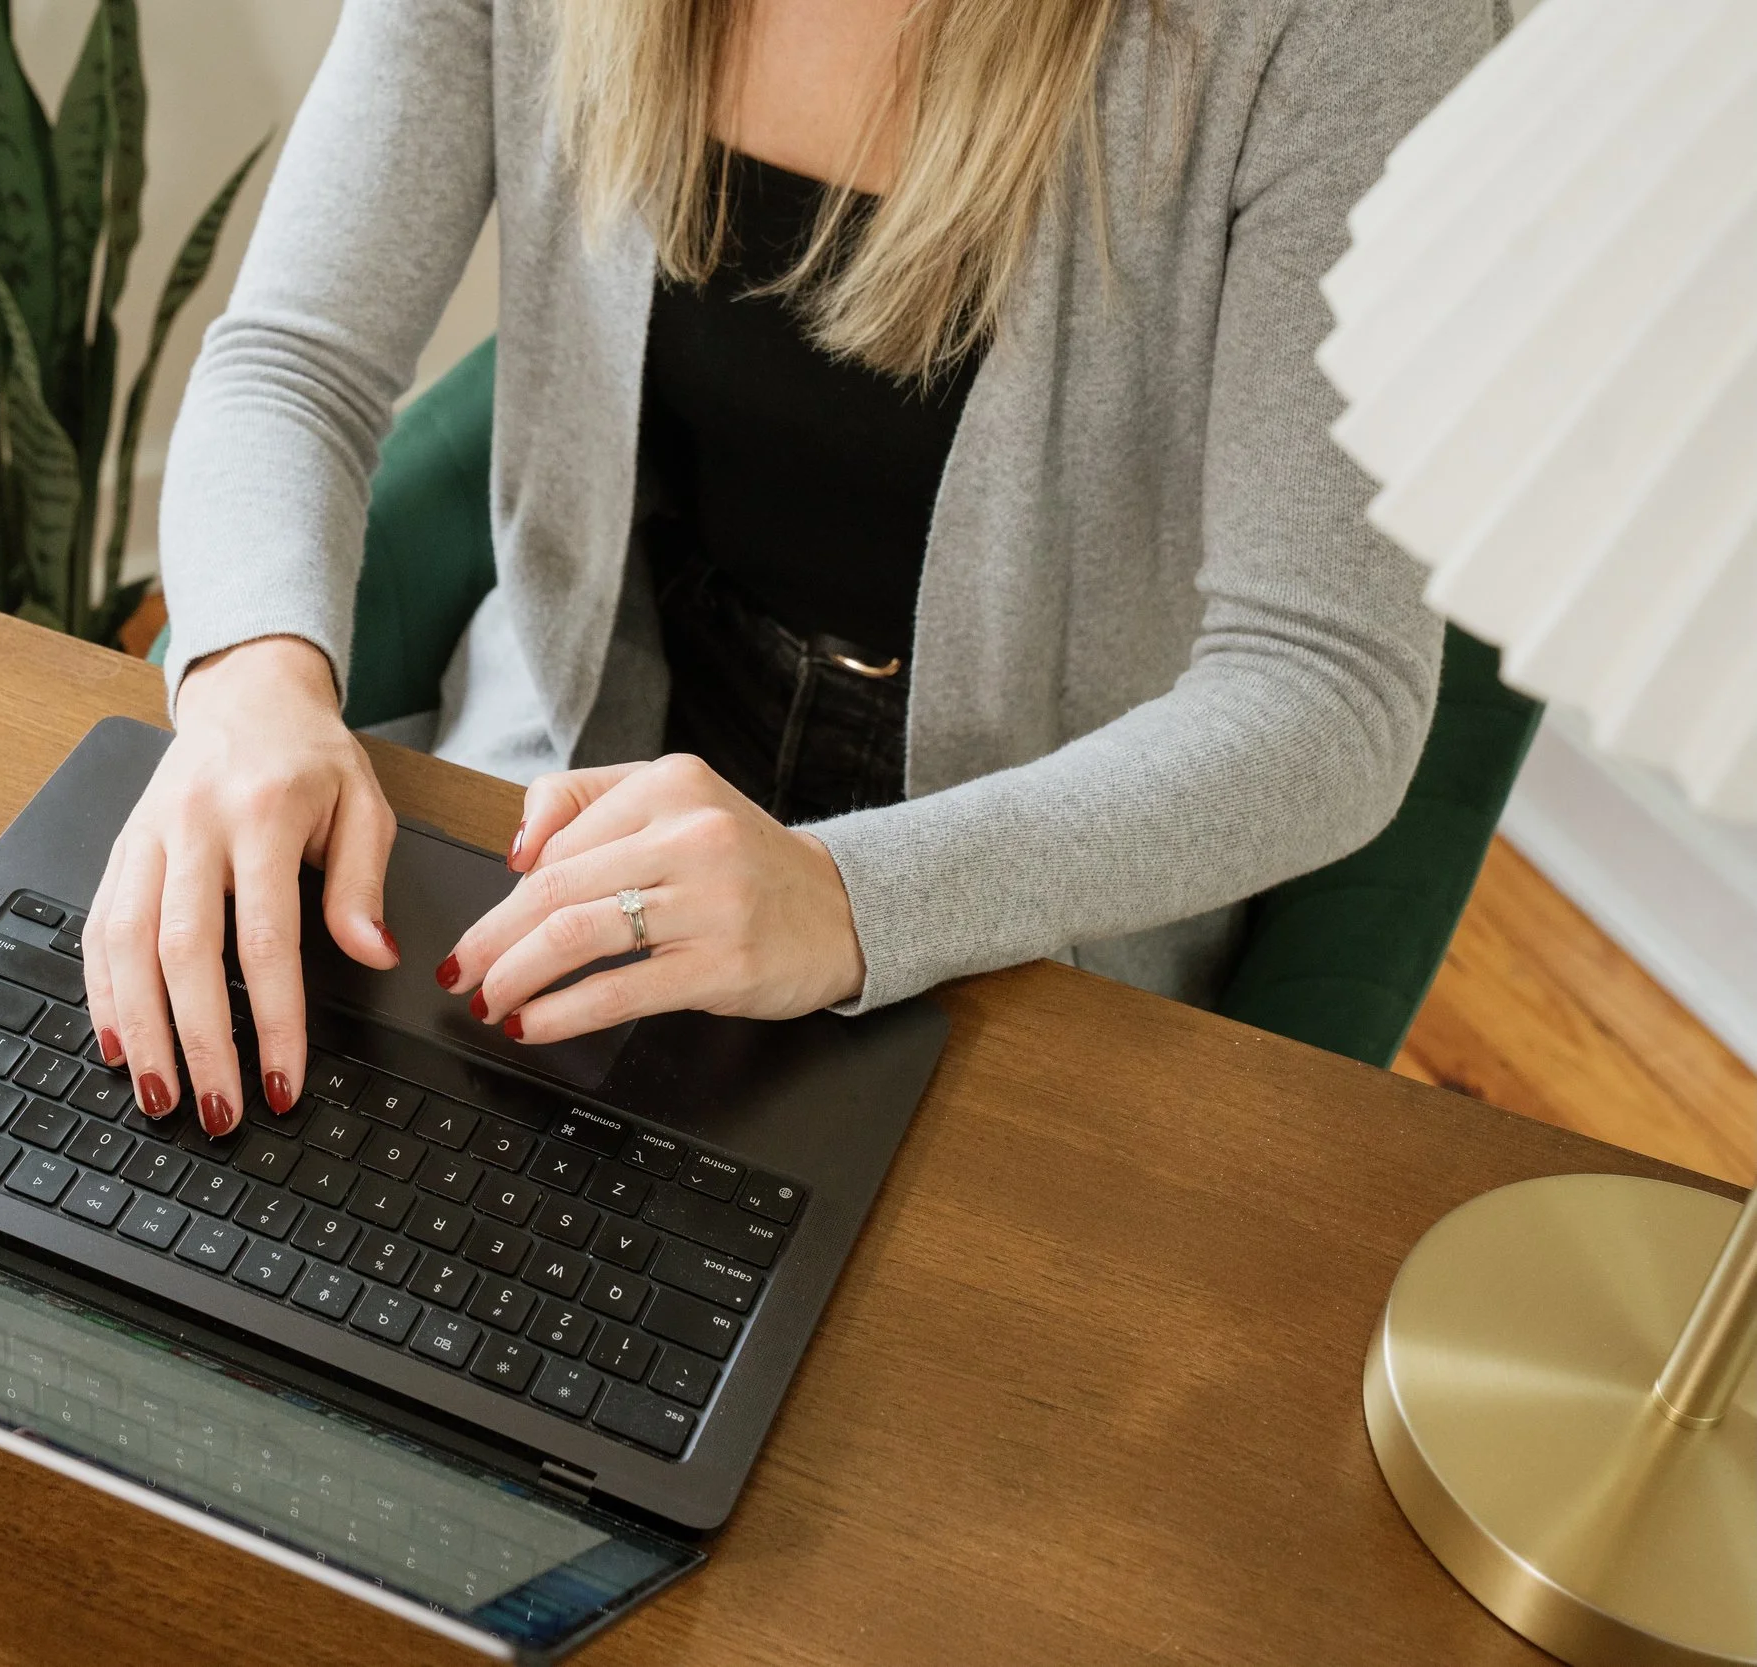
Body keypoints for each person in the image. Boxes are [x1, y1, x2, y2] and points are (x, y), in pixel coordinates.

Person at [89, 0, 1494, 1138]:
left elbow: (1330, 689)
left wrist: (847, 899)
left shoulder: (1338, 31)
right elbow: (293, 359)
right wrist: (248, 685)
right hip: (571, 778)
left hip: (1012, 884)